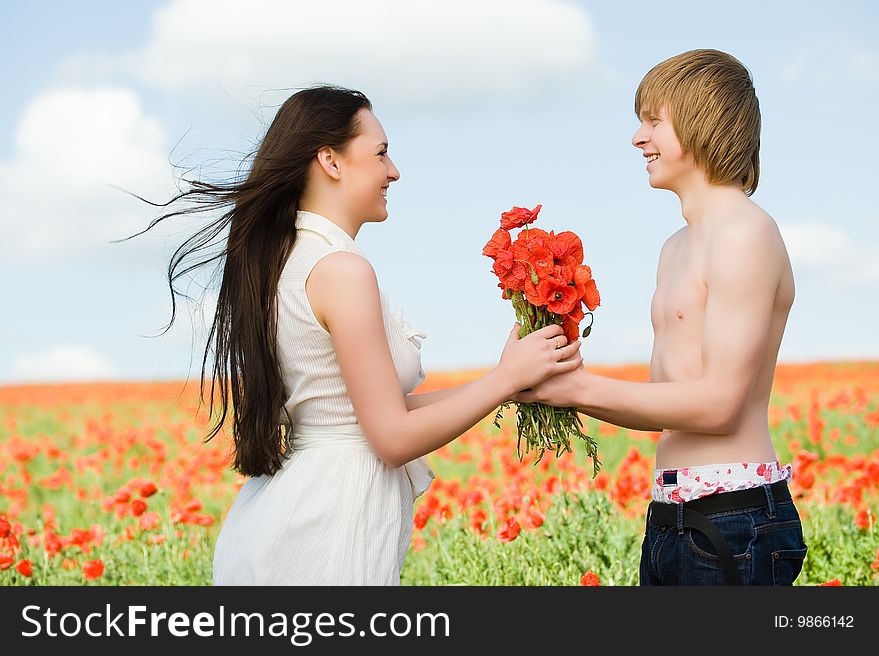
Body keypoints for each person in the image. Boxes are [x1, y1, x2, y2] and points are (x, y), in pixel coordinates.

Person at [129, 85, 582, 585]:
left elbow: (370, 413)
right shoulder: (340, 270)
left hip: (293, 508)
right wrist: (502, 383)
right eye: (381, 153)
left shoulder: (287, 259)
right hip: (330, 524)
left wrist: (506, 382)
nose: (394, 171)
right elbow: (390, 438)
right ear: (331, 160)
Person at [517, 50, 807, 585]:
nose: (637, 138)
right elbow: (669, 404)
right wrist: (552, 368)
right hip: (675, 515)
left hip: (736, 515)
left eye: (653, 121)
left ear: (702, 124)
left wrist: (577, 389)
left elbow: (718, 405)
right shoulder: (675, 247)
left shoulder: (744, 234)